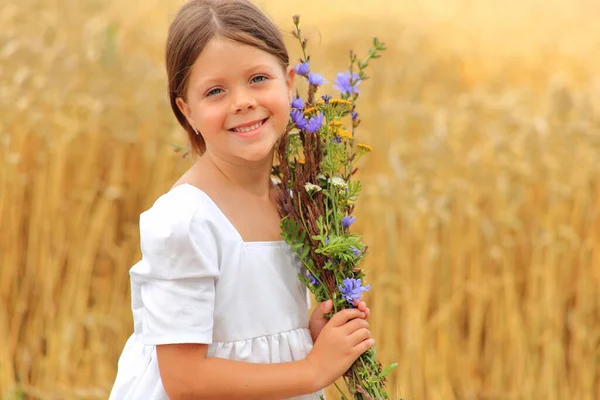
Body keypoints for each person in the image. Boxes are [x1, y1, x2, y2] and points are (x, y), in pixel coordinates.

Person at [109, 0, 374, 399]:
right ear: (187, 111)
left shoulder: (293, 204)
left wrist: (306, 335)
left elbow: (251, 330)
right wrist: (313, 369)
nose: (242, 101)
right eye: (215, 91)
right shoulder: (185, 221)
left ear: (288, 82)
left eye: (257, 79)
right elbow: (185, 379)